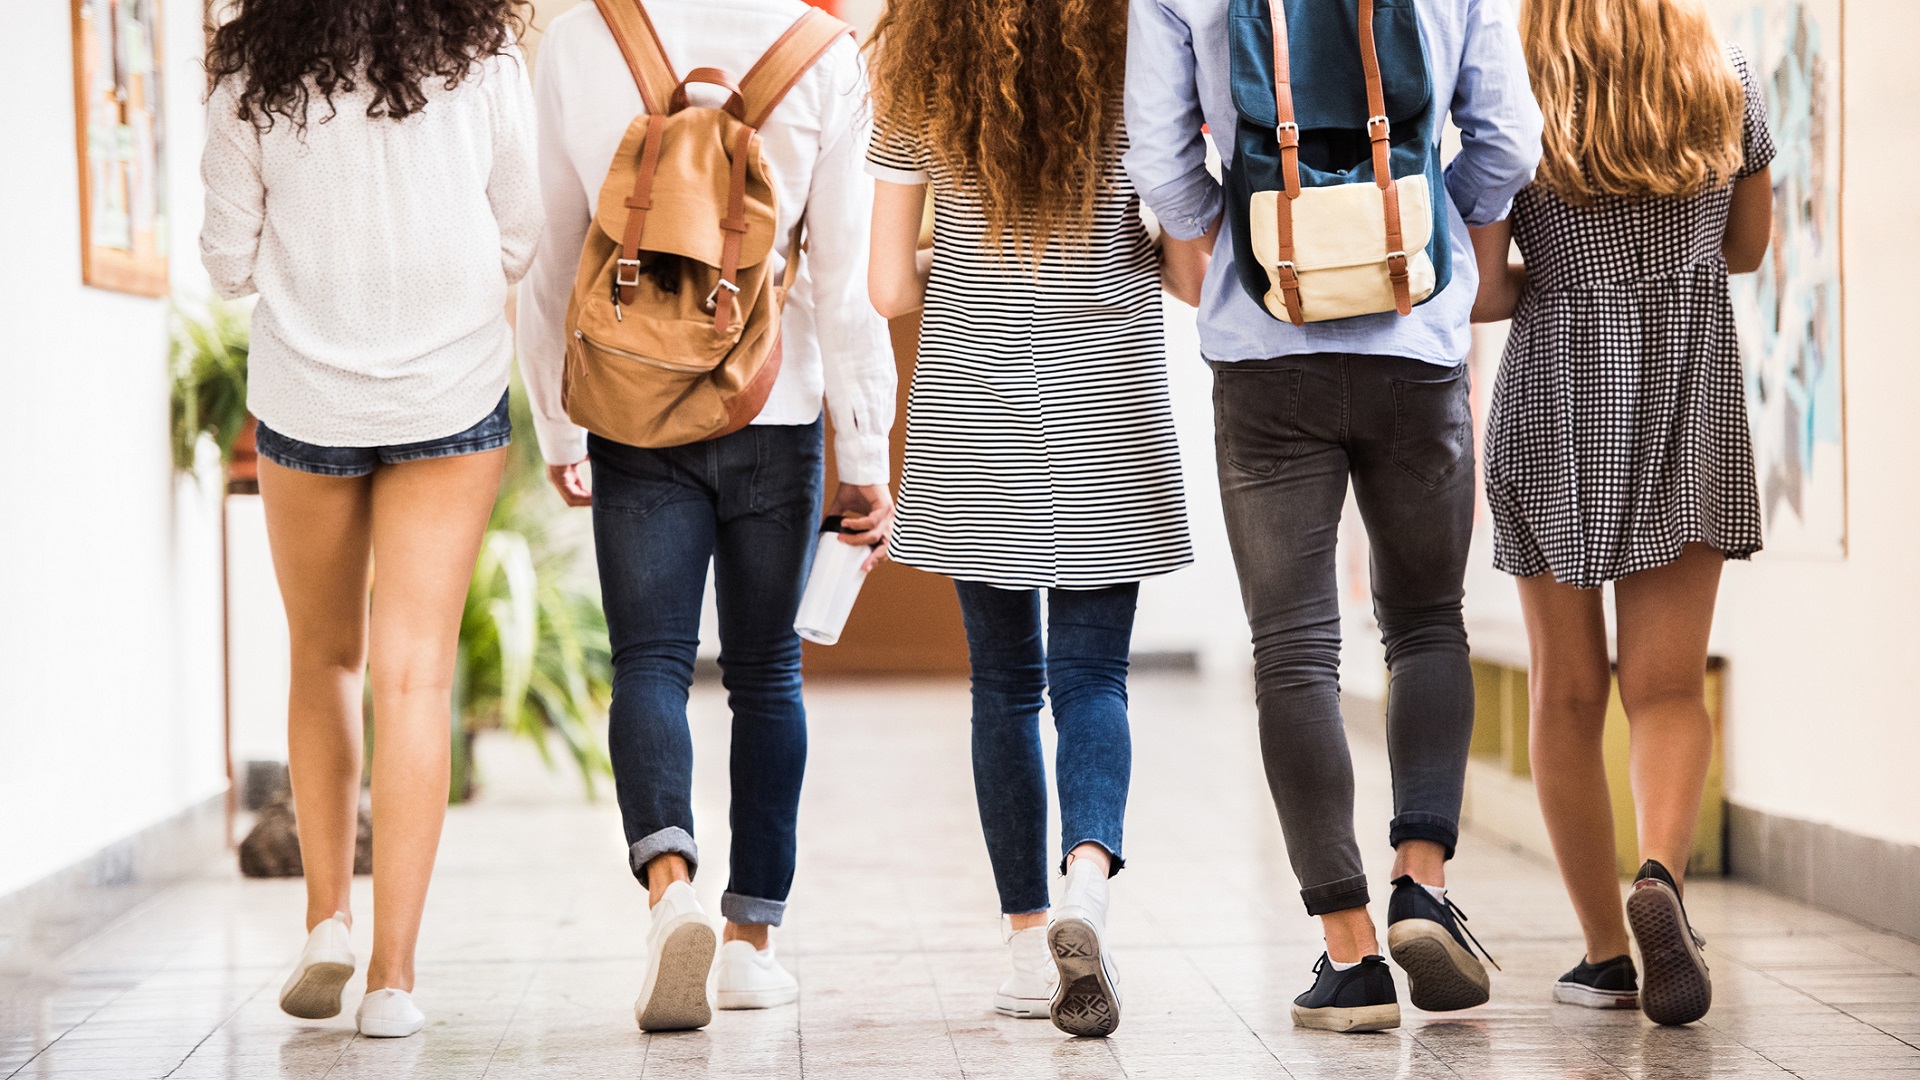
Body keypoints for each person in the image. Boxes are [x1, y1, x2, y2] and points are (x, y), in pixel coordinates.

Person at [1125, 0, 1542, 1033]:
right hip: (1418, 332)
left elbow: (1162, 161)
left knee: (1295, 652)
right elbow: (1509, 140)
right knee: (1426, 620)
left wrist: (1246, 234)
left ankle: (1350, 955)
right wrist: (1423, 216)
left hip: (1267, 342)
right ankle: (1422, 880)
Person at [517, 0, 896, 1033]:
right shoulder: (822, 54)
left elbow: (554, 251)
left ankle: (668, 887)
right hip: (776, 406)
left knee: (649, 660)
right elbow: (846, 285)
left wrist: (558, 425)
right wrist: (864, 456)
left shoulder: (586, 34)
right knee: (767, 674)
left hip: (635, 404)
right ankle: (748, 945)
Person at [199, 0, 541, 1040]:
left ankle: (324, 921)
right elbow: (521, 236)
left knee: (325, 658)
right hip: (450, 391)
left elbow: (224, 263)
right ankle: (393, 979)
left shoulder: (249, 71)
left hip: (308, 399)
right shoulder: (483, 59)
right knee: (416, 674)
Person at [865, 0, 1192, 1039]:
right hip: (1108, 384)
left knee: (1003, 685)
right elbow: (1186, 269)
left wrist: (959, 265)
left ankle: (1022, 943)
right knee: (1093, 677)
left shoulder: (921, 59)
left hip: (975, 393)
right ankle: (1086, 883)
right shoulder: (1141, 42)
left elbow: (883, 285)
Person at [1472, 0, 1774, 1028]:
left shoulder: (1514, 89)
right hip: (1689, 391)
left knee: (1567, 691)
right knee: (1667, 686)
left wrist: (1561, 277)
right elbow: (1745, 250)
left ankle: (1607, 954)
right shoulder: (1725, 78)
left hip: (1555, 393)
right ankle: (1662, 880)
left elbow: (1477, 291)